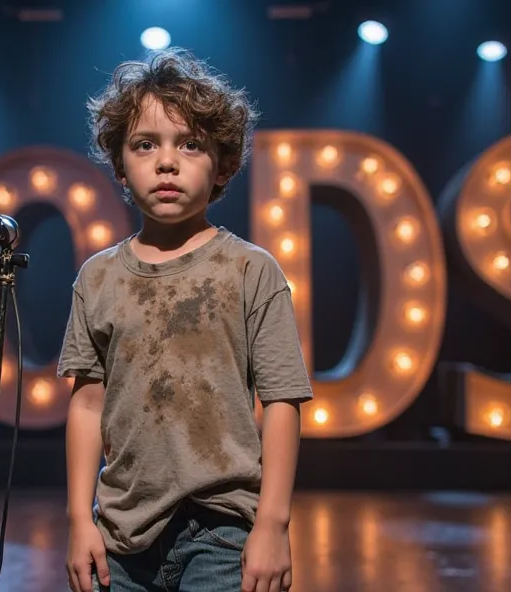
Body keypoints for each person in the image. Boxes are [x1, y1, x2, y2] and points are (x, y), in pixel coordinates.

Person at [59, 47, 313, 592]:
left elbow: (283, 400)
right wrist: (80, 519)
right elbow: (86, 402)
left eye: (190, 145)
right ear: (121, 164)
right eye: (145, 145)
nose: (166, 162)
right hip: (122, 534)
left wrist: (273, 524)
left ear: (223, 164)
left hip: (224, 530)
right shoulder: (98, 277)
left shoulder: (251, 269)